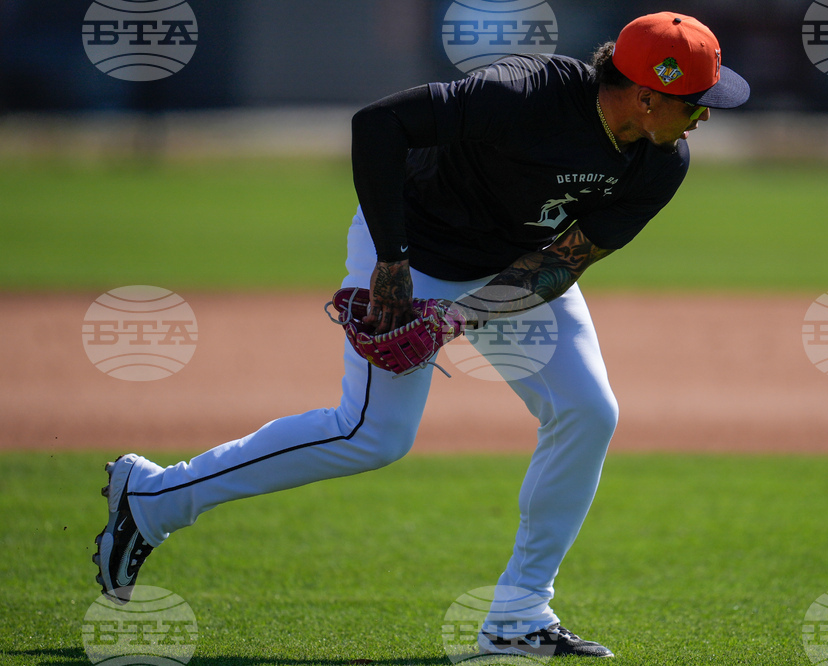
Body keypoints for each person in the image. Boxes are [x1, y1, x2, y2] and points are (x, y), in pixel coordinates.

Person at [93, 11, 749, 659]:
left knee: (587, 410)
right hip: (415, 255)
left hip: (508, 266)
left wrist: (458, 320)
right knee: (372, 435)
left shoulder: (661, 162)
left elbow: (560, 261)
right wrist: (393, 261)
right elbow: (378, 124)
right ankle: (153, 499)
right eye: (696, 102)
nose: (707, 116)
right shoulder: (522, 95)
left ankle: (519, 615)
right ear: (646, 95)